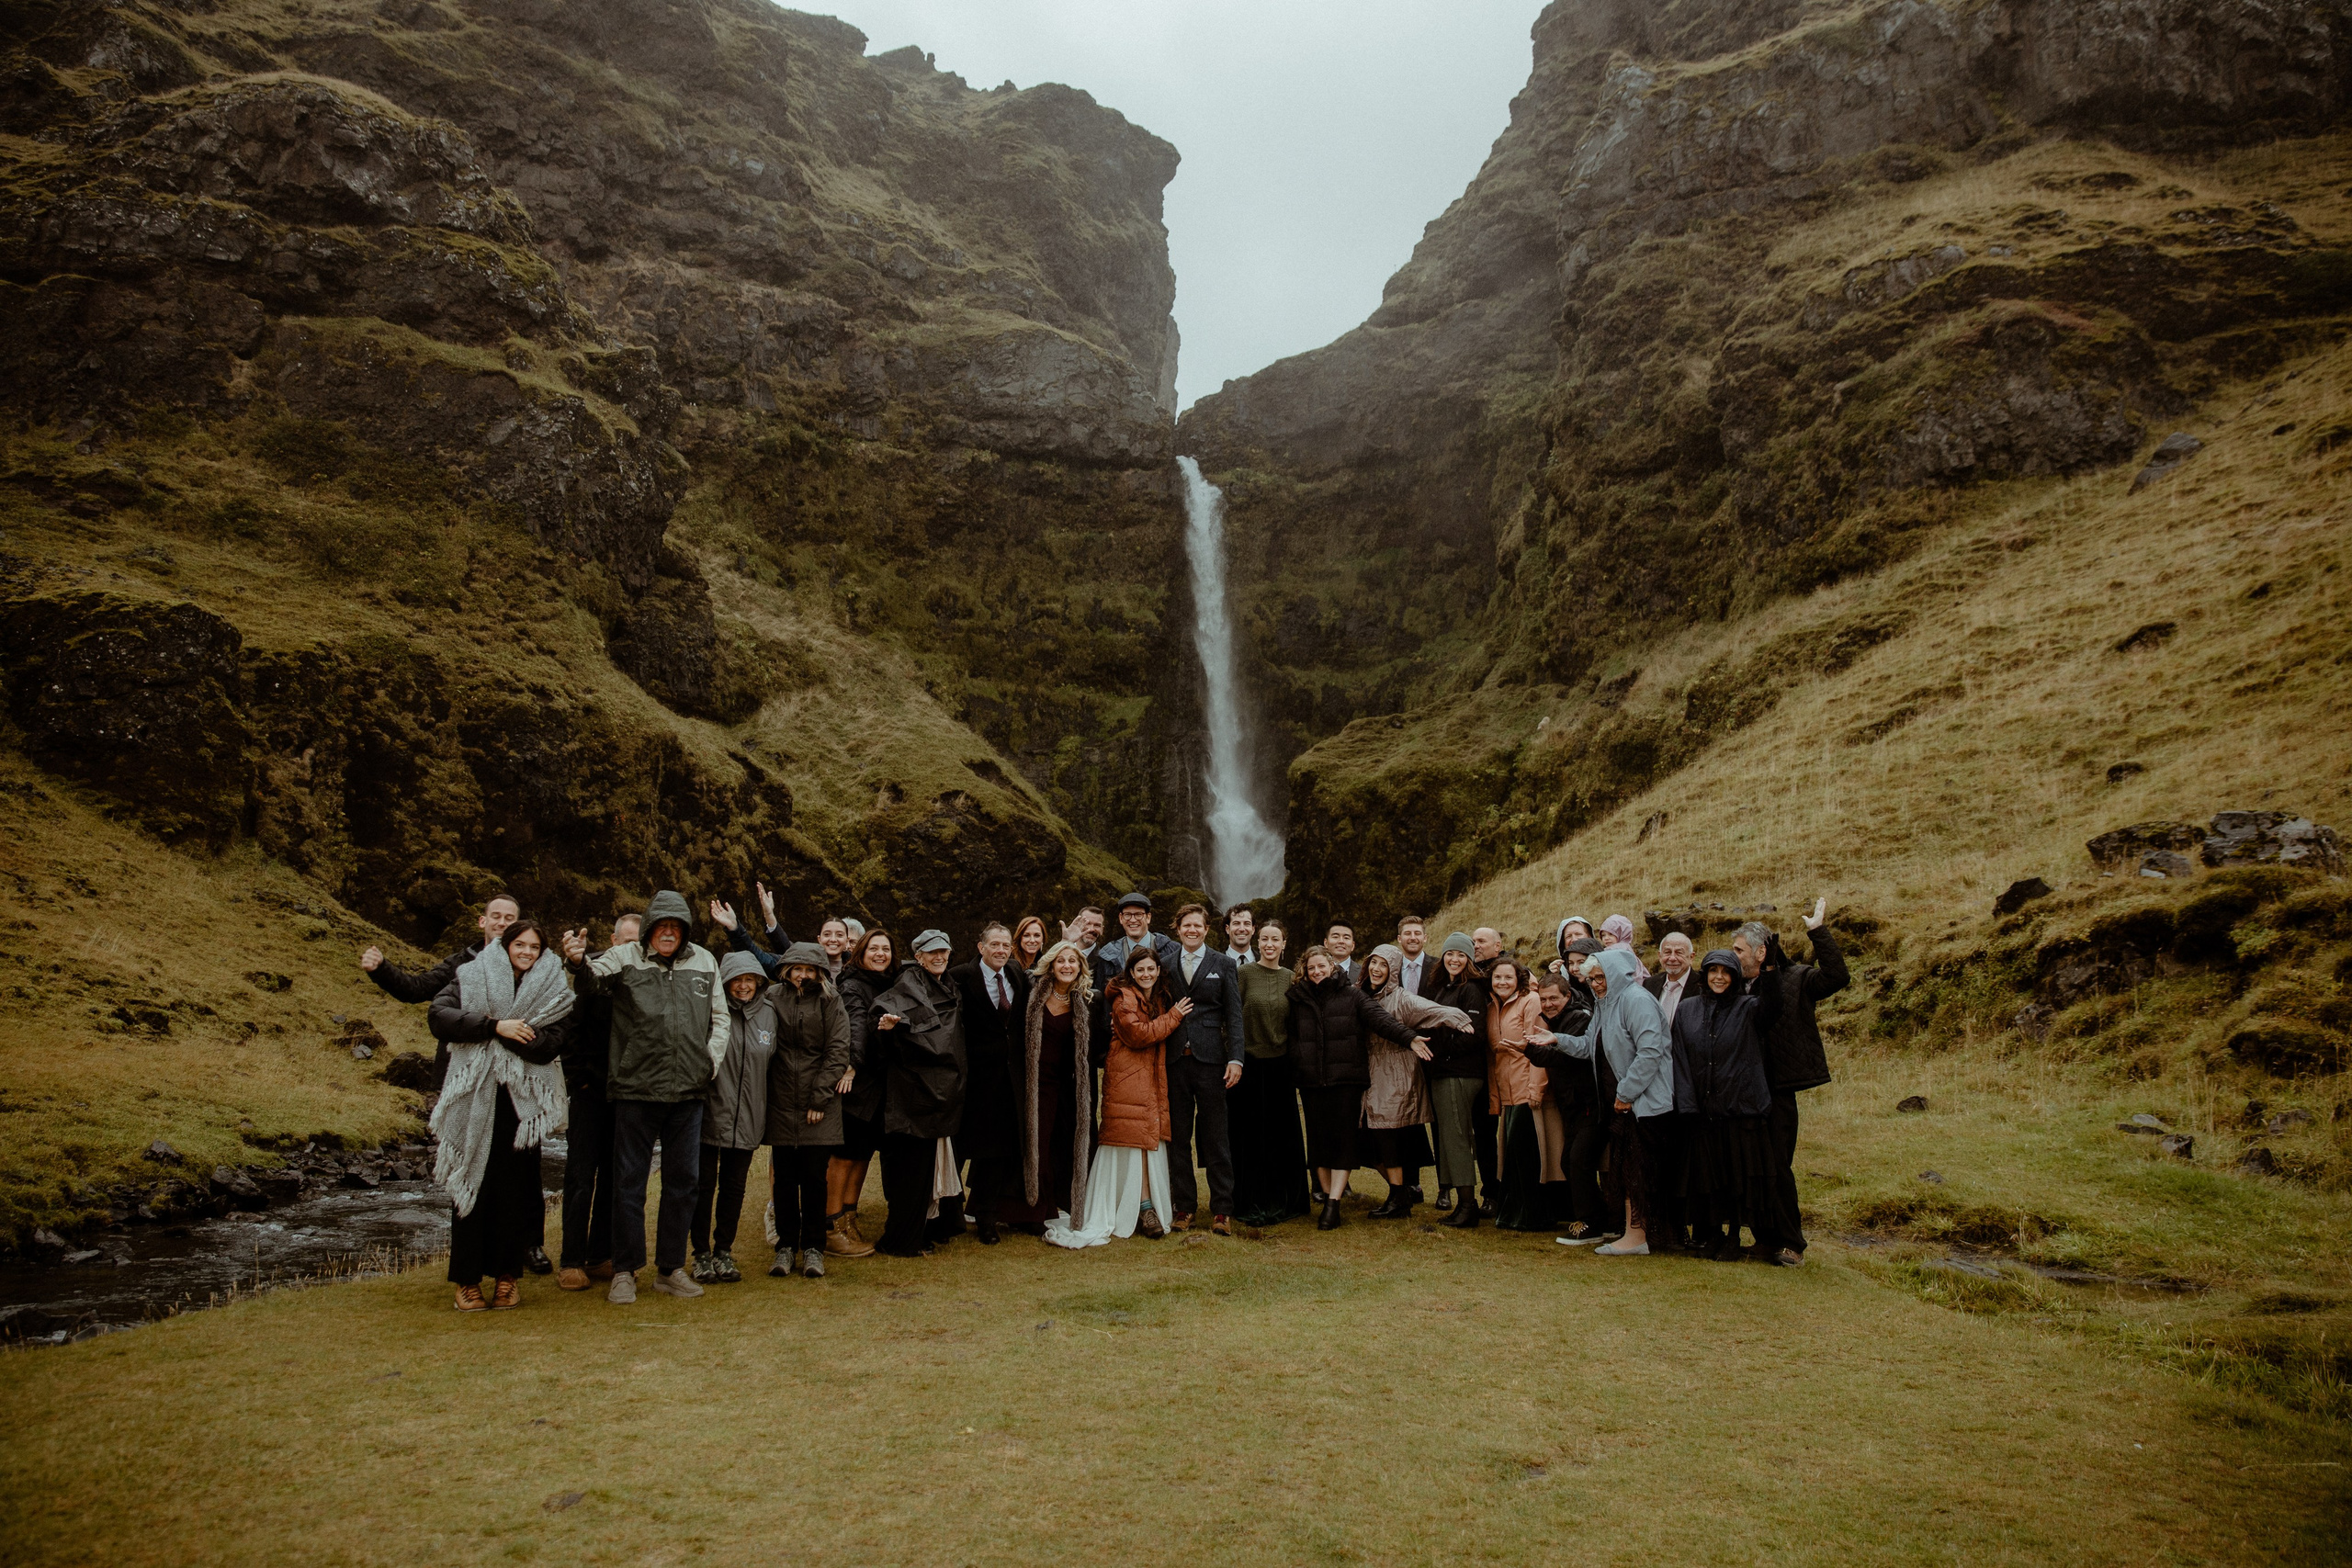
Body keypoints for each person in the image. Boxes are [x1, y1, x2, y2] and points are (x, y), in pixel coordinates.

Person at [560, 890, 728, 1304]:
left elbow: (720, 1018)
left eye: (676, 926)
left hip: (688, 1092)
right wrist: (577, 960)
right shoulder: (626, 958)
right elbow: (591, 980)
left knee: (683, 1183)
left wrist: (709, 1062)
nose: (668, 932)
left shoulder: (705, 961)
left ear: (685, 930)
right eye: (661, 926)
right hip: (636, 1089)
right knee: (628, 1184)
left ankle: (670, 1269)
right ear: (650, 928)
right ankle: (624, 1270)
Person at [427, 920, 569, 1311]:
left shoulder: (553, 988)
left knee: (514, 1193)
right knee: (469, 1182)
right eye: (519, 944)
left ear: (543, 952)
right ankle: (467, 1281)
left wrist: (513, 1037)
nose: (526, 951)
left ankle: (507, 1278)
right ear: (505, 944)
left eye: (534, 947)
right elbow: (439, 1016)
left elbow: (550, 1044)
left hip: (520, 1108)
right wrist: (494, 1026)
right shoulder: (470, 975)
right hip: (474, 1097)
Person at [1735, 899, 1846, 1268]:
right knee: (1751, 1167)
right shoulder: (1734, 987)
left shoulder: (1797, 978)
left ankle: (1790, 1243)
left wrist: (1818, 932)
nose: (1733, 956)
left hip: (1779, 1090)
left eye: (1739, 949)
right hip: (1744, 1092)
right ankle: (1764, 1240)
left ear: (1761, 950)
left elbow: (1837, 977)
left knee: (1778, 1167)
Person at [1050, 948, 1186, 1247]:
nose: (1146, 975)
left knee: (1144, 1140)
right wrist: (1174, 1017)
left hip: (1147, 1076)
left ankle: (1143, 1205)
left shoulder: (1157, 998)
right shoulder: (1124, 998)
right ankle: (1143, 1207)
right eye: (1140, 970)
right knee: (1133, 1140)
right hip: (1127, 1076)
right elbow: (1138, 1034)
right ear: (1131, 973)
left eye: (1151, 969)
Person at [1551, 948, 1675, 1257]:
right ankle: (1635, 1234)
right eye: (1591, 979)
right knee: (1627, 1171)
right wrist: (1556, 1039)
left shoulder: (1636, 1000)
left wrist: (1626, 1093)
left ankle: (1639, 1237)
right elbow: (1587, 1047)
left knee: (1640, 1171)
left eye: (1601, 977)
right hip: (1622, 1106)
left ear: (1618, 974)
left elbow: (1651, 1051)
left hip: (1644, 1106)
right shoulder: (1605, 1004)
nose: (1595, 984)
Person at [1288, 945, 1419, 1231]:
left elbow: (1381, 1020)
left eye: (1322, 966)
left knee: (1343, 1144)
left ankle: (1334, 1204)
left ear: (1333, 966)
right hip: (1311, 1084)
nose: (1317, 972)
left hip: (1345, 1082)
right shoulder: (1297, 999)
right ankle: (1327, 1200)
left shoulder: (1352, 995)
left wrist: (1409, 1038)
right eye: (1311, 968)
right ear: (1305, 971)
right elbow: (1292, 1039)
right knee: (1319, 1145)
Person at [1674, 949, 1783, 1261]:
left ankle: (1735, 1235)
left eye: (1726, 971)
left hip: (1738, 1110)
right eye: (1713, 970)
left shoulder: (1748, 1007)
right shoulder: (1687, 1010)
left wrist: (1771, 970)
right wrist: (1687, 1104)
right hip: (1702, 1112)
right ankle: (1713, 1235)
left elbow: (1773, 1007)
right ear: (1705, 974)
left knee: (1736, 1179)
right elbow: (1679, 1057)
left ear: (1734, 976)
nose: (1719, 977)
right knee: (1708, 1180)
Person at [360, 893, 521, 1104]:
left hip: (509, 1078)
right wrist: (381, 969)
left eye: (509, 919)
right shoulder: (459, 964)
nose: (502, 923)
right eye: (496, 916)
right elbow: (415, 989)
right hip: (455, 1072)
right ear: (483, 921)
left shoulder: (529, 966)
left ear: (519, 925)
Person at [866, 930, 967, 1258]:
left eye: (944, 952)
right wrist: (888, 1028)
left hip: (940, 1094)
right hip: (912, 1097)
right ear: (919, 956)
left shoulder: (948, 985)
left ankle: (928, 1230)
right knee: (910, 1174)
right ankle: (900, 1240)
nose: (939, 957)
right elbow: (886, 1026)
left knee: (929, 1169)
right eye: (932, 952)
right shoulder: (907, 988)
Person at [555, 911, 635, 1292]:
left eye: (639, 941)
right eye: (626, 940)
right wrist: (579, 1081)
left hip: (626, 1095)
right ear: (614, 940)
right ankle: (570, 1259)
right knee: (580, 1175)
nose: (631, 947)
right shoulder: (595, 976)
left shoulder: (642, 980)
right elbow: (570, 1028)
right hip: (590, 1092)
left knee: (615, 1178)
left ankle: (600, 1253)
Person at [1361, 945, 1470, 1219]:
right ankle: (1400, 1194)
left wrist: (1458, 1018)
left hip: (1396, 1073)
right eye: (1373, 962)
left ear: (1393, 971)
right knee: (1371, 1140)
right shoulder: (1359, 993)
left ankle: (1399, 1197)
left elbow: (1432, 1010)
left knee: (1387, 1137)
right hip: (1369, 1073)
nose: (1377, 969)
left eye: (1384, 965)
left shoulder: (1402, 999)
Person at [765, 942, 853, 1278]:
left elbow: (838, 1049)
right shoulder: (772, 998)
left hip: (822, 1102)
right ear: (787, 970)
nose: (803, 975)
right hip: (782, 1099)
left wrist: (819, 1098)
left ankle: (814, 1246)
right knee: (784, 1178)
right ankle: (786, 1245)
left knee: (816, 1177)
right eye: (797, 969)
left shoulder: (831, 1001)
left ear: (819, 972)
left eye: (809, 969)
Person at [690, 951, 775, 1285]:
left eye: (749, 980)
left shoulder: (769, 1014)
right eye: (736, 980)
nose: (743, 986)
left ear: (758, 982)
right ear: (725, 982)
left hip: (750, 1116)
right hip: (711, 1113)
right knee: (702, 1186)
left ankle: (723, 1250)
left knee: (734, 1188)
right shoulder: (711, 1012)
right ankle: (700, 1253)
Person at [1163, 903, 1245, 1235]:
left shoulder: (1223, 964)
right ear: (1178, 929)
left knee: (1215, 1136)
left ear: (1207, 929)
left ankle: (1222, 1209)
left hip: (1212, 1062)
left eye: (1198, 925)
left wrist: (1236, 1058)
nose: (1192, 930)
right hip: (1174, 1061)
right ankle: (1183, 1208)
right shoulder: (1165, 964)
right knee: (1178, 1137)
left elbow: (1234, 1016)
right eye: (1186, 926)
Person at [948, 923, 1031, 1244]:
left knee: (995, 1150)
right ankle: (948, 1213)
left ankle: (985, 1215)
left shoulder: (1016, 974)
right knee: (957, 1148)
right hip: (970, 1078)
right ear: (980, 947)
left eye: (1005, 945)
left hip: (1007, 1078)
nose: (1000, 950)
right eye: (994, 944)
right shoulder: (960, 976)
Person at [823, 929, 902, 1258]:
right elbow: (854, 1024)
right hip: (857, 1083)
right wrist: (852, 1063)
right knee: (844, 1155)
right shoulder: (853, 984)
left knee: (862, 1154)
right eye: (874, 949)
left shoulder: (889, 982)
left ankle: (849, 1217)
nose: (881, 954)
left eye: (886, 949)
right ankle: (829, 1226)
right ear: (861, 952)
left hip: (879, 1083)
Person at [1230, 919, 1311, 1227]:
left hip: (1280, 1067)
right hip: (1248, 1066)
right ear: (1256, 941)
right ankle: (1249, 1198)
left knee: (1281, 1136)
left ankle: (1284, 1198)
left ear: (1284, 943)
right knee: (1249, 1136)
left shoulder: (1292, 979)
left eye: (1275, 939)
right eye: (1263, 939)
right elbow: (1232, 1016)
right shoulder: (1243, 974)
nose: (1269, 944)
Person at [1014, 941, 1094, 1233]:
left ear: (1080, 967)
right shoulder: (1032, 993)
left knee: (1062, 1146)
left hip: (1067, 1087)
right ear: (1051, 963)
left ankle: (1054, 1204)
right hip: (1035, 1083)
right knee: (1037, 1145)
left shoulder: (1084, 1001)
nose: (1067, 966)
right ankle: (1031, 1212)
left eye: (1073, 961)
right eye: (1061, 960)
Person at [1524, 959, 1606, 1241]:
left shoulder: (1579, 1018)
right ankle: (1600, 1218)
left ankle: (1591, 1222)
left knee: (1578, 1160)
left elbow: (1559, 1055)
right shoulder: (1557, 1021)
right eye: (1543, 999)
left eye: (1554, 999)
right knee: (1570, 1161)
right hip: (1573, 1106)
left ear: (1567, 996)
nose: (1548, 1004)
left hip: (1590, 1104)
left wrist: (1529, 1049)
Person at [1485, 957, 1563, 1232]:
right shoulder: (1493, 1007)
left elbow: (1538, 1047)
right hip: (1507, 1093)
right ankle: (1514, 1213)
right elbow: (1494, 1057)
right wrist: (1496, 1098)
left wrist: (1535, 1089)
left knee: (1528, 1155)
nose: (1502, 982)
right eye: (1497, 978)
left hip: (1526, 1089)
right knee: (1513, 1157)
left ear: (1519, 979)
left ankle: (1532, 1216)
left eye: (1508, 977)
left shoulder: (1530, 1002)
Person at [1423, 933, 1489, 1226]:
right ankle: (1461, 1203)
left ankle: (1467, 1205)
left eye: (1461, 955)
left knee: (1456, 1137)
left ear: (1469, 960)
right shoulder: (1442, 987)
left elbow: (1473, 1035)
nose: (1454, 959)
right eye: (1450, 953)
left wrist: (1441, 1053)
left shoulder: (1471, 988)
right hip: (1444, 1072)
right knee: (1449, 1138)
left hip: (1459, 1074)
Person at [1467, 927, 1508, 1214]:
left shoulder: (1510, 973)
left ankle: (1513, 1192)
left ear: (1498, 945)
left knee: (1513, 1134)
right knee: (1484, 1135)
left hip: (1509, 1068)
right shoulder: (1469, 976)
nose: (1476, 946)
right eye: (1473, 942)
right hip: (1480, 1069)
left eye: (1481, 941)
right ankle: (1491, 1193)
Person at [1646, 932, 1695, 1031]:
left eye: (1679, 952)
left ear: (1691, 957)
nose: (1672, 958)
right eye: (1667, 952)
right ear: (1660, 956)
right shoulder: (1649, 984)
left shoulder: (1703, 986)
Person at [1393, 917, 1440, 998]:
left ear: (1425, 938)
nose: (1413, 938)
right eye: (1407, 933)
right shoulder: (1391, 968)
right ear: (1399, 939)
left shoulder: (1439, 966)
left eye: (1417, 933)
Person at [1600, 915, 1651, 981]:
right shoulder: (1627, 948)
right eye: (1603, 935)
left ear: (1622, 933)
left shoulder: (1617, 949)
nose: (1606, 938)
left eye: (1611, 934)